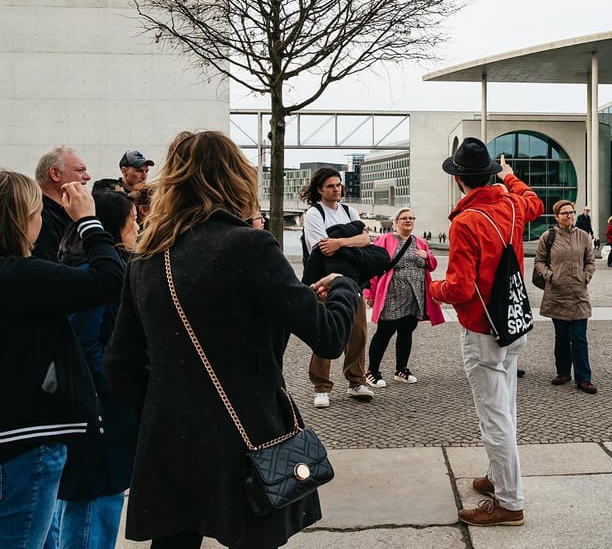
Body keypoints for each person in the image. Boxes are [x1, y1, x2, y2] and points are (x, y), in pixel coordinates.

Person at [104, 131, 359, 549]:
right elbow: (329, 337)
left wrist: (165, 405)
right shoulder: (249, 245)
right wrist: (346, 287)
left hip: (170, 434)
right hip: (247, 429)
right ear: (235, 179)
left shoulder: (149, 256)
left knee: (174, 540)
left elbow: (120, 364)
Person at [0, 173, 124, 549]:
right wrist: (89, 220)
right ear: (22, 219)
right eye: (38, 212)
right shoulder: (21, 277)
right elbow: (108, 277)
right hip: (27, 441)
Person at [429, 137, 543, 527]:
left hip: (483, 328)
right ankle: (496, 478)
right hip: (513, 321)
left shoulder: (466, 222)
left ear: (460, 179)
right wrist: (511, 178)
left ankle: (510, 502)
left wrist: (431, 288)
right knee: (505, 406)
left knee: (494, 417)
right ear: (490, 174)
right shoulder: (511, 204)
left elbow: (459, 288)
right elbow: (536, 202)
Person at [46, 192, 140, 549]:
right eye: (132, 220)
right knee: (96, 502)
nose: (137, 226)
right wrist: (118, 388)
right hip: (101, 409)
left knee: (78, 501)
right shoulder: (99, 275)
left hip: (94, 404)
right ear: (114, 226)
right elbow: (87, 345)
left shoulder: (76, 266)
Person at [299, 167, 375, 407]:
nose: (336, 189)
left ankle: (356, 380)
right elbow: (322, 247)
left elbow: (366, 240)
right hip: (323, 281)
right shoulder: (314, 213)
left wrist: (341, 242)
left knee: (358, 331)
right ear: (320, 189)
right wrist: (352, 244)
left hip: (352, 280)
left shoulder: (349, 210)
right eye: (331, 185)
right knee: (325, 332)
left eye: (338, 184)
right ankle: (321, 386)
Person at [363, 207, 444, 387]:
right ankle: (372, 371)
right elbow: (372, 267)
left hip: (415, 294)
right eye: (404, 218)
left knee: (407, 332)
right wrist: (370, 293)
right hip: (392, 294)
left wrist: (427, 256)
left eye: (411, 218)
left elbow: (431, 266)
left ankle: (401, 369)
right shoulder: (384, 240)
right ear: (396, 222)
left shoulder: (420, 242)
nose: (408, 221)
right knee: (385, 332)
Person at [534, 200, 596, 394]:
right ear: (556, 217)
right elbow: (539, 261)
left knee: (579, 337)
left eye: (571, 212)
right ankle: (563, 372)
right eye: (564, 213)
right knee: (561, 337)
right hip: (557, 294)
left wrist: (585, 277)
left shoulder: (583, 236)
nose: (569, 216)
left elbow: (590, 261)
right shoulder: (548, 237)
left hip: (578, 293)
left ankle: (584, 378)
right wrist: (550, 276)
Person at [33, 147, 92, 261]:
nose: (87, 177)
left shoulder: (66, 212)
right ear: (55, 173)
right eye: (80, 170)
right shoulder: (37, 215)